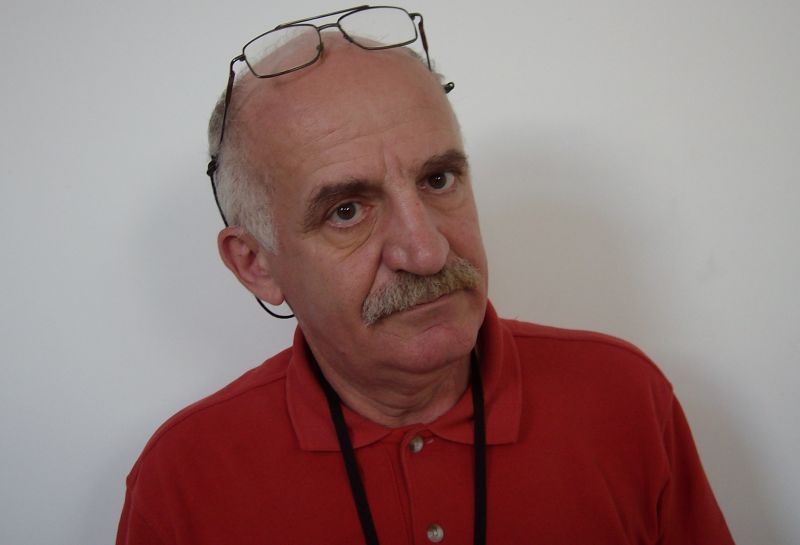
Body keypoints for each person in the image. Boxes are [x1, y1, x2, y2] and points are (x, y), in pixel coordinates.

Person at [117, 6, 735, 545]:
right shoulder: (183, 476)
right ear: (256, 265)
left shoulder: (624, 398)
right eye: (346, 211)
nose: (426, 251)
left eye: (438, 180)